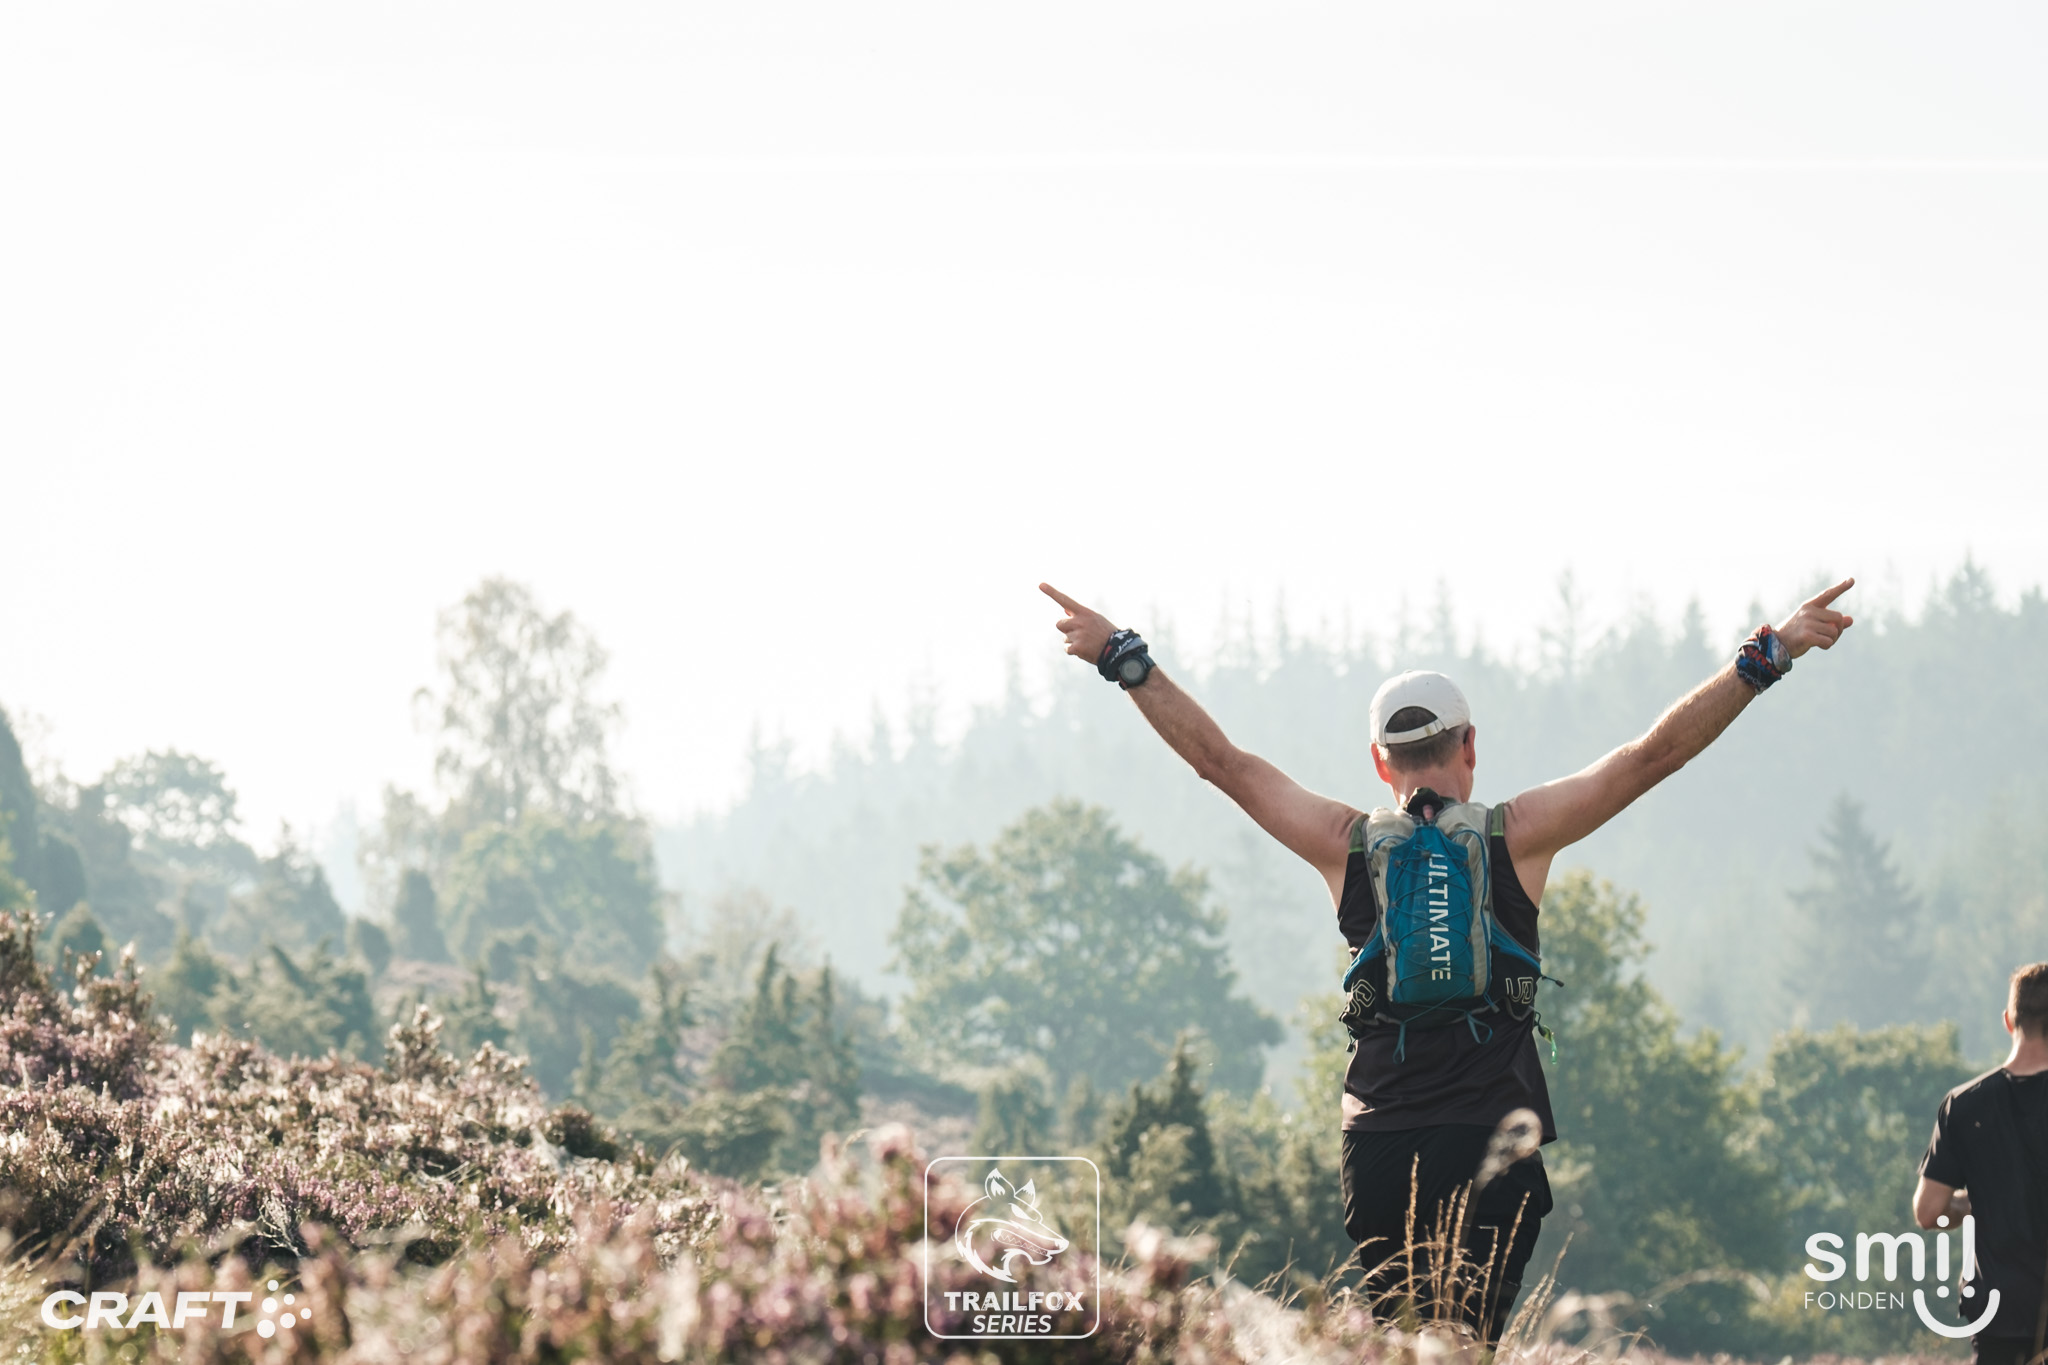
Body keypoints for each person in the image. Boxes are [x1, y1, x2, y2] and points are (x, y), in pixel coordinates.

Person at [1039, 577, 1856, 1339]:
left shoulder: (1345, 846)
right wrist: (1767, 653)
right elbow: (1651, 756)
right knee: (1468, 1345)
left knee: (1402, 1346)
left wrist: (1124, 657)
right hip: (1491, 1133)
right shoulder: (1518, 836)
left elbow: (1221, 763)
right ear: (1470, 746)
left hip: (1381, 1141)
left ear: (1378, 761)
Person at [1915, 963, 2048, 1365]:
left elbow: (1929, 1213)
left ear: (2009, 1021)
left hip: (1998, 1312)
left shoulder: (1964, 1104)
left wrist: (1972, 1202)